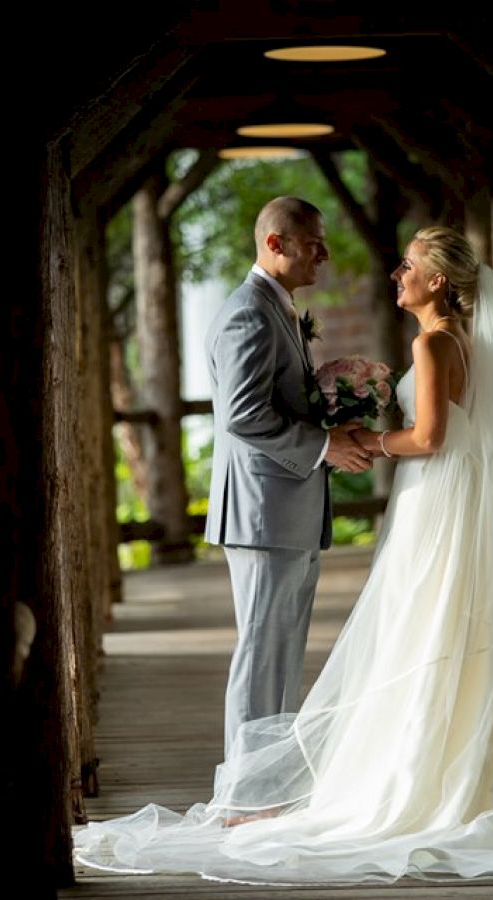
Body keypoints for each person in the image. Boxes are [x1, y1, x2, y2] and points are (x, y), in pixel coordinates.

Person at [74, 226, 493, 886]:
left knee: (421, 630)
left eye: (409, 265)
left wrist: (370, 440)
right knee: (445, 630)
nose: (396, 273)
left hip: (437, 500)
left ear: (438, 281)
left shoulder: (432, 342)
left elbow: (429, 436)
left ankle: (420, 778)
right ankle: (461, 765)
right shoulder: (460, 341)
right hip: (444, 499)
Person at [202, 196, 371, 761]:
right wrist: (325, 446)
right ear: (276, 243)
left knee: (281, 653)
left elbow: (277, 400)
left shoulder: (279, 306)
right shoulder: (248, 312)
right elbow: (243, 414)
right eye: (313, 242)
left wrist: (331, 418)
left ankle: (264, 783)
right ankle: (244, 793)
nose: (323, 253)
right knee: (261, 654)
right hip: (261, 512)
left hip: (284, 510)